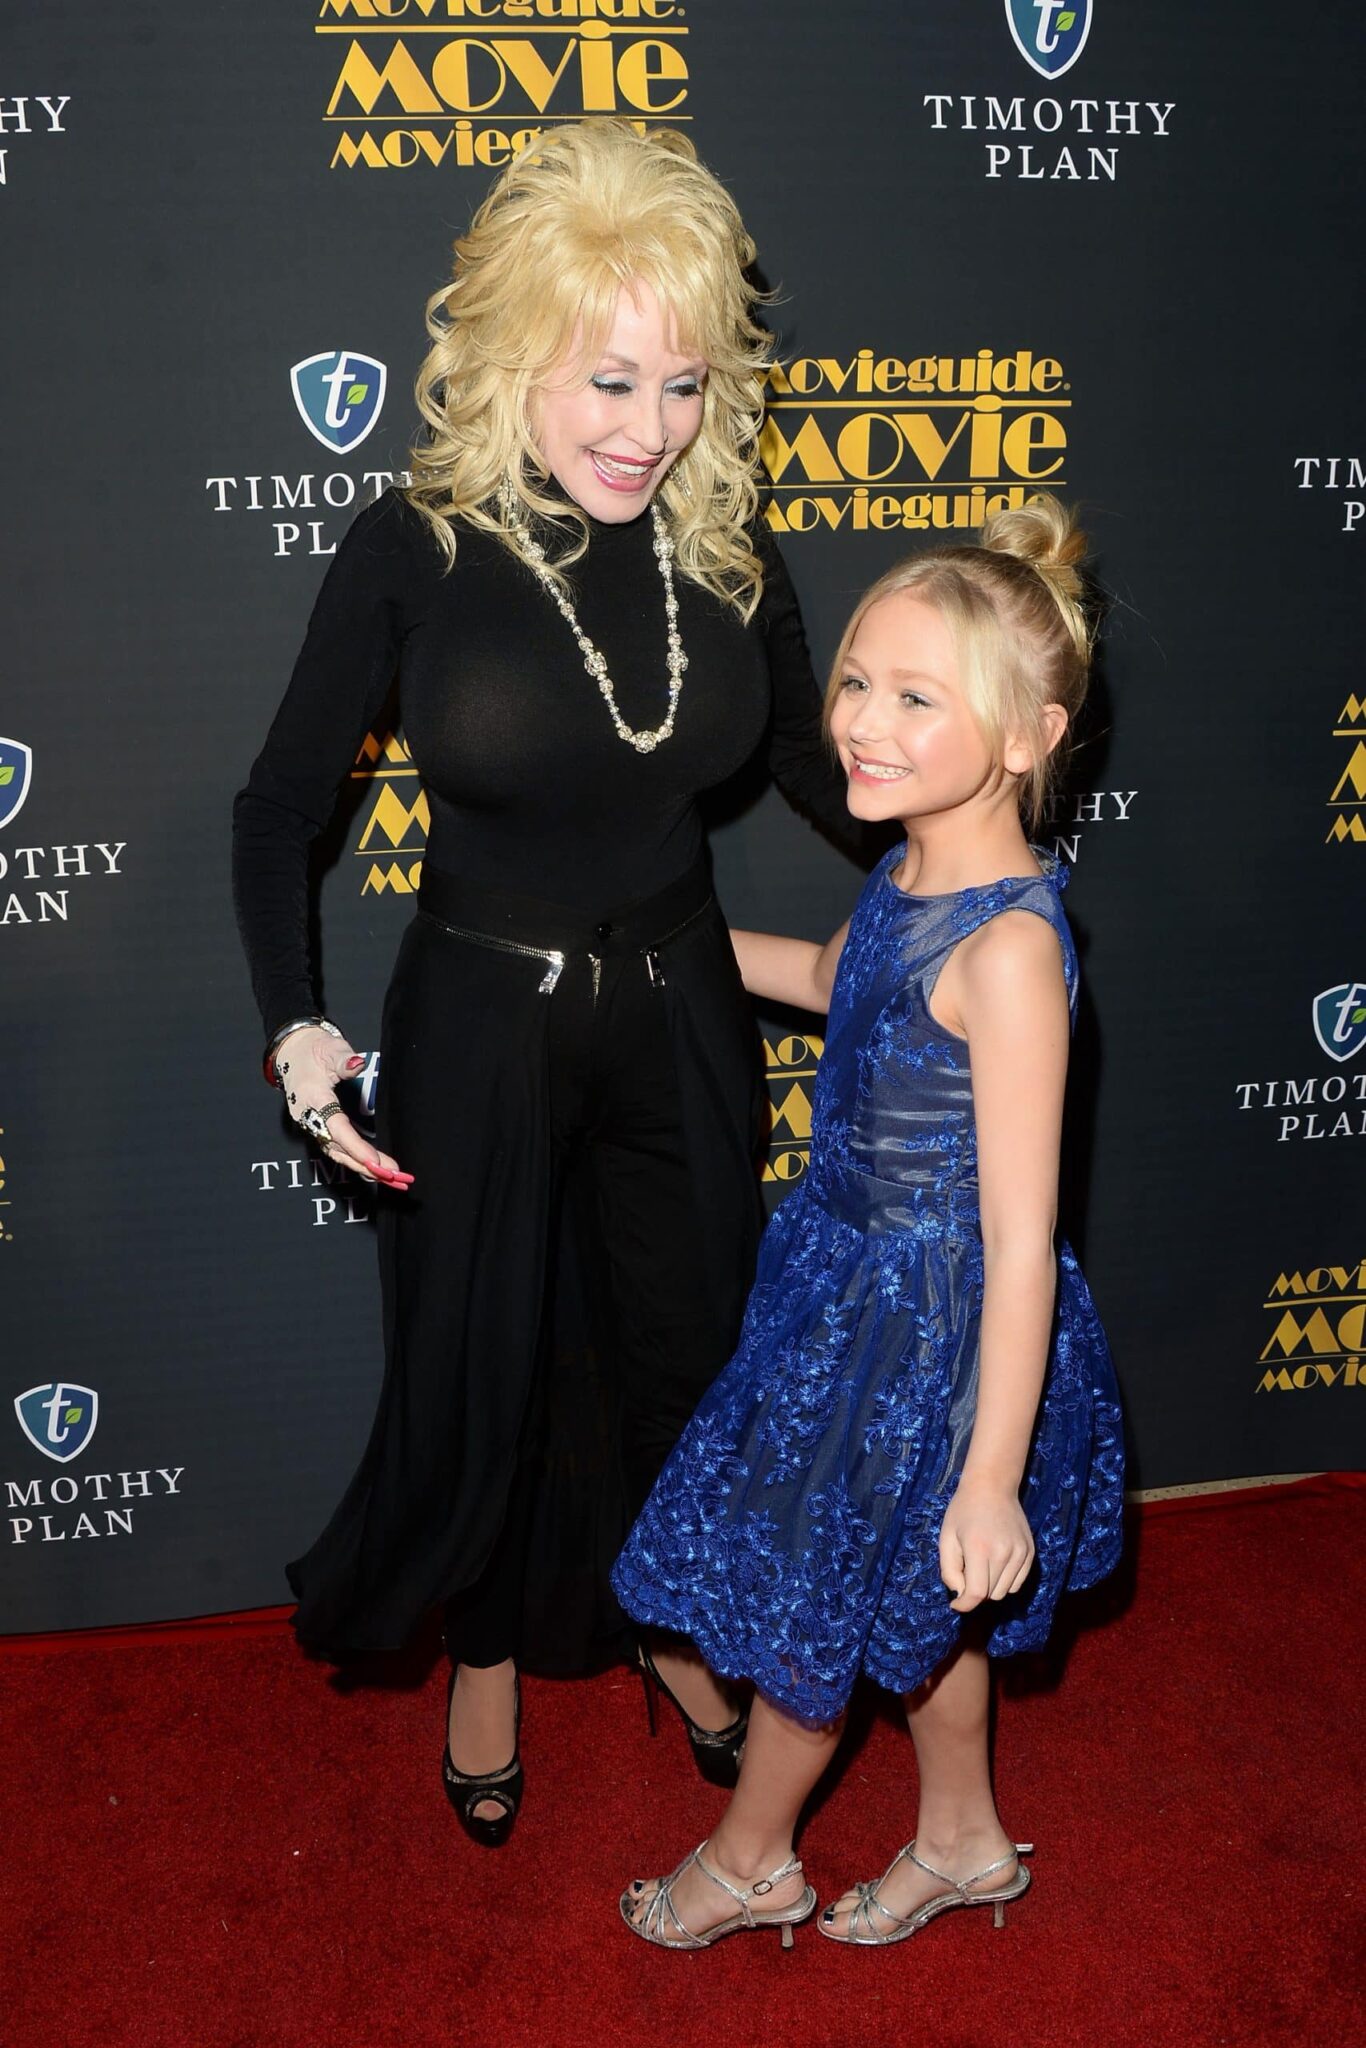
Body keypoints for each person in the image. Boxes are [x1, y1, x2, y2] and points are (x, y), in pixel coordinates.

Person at [231, 121, 855, 1845]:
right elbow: (282, 805)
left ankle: (661, 1620)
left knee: (683, 1359)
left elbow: (818, 764)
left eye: (678, 384)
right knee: (480, 1374)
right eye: (603, 379)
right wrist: (298, 1032)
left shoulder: (722, 544)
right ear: (516, 355)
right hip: (479, 1022)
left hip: (678, 1015)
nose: (642, 430)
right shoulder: (414, 546)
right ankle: (488, 1655)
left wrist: (982, 840)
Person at [612, 493, 1125, 1948]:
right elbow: (837, 978)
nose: (859, 721)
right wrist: (665, 945)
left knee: (809, 1605)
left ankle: (748, 1857)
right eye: (852, 681)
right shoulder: (911, 869)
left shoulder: (1013, 948)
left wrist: (991, 1480)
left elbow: (1023, 1242)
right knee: (912, 1604)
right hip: (839, 1285)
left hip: (929, 1339)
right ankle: (961, 1840)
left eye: (915, 696)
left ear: (1026, 736)